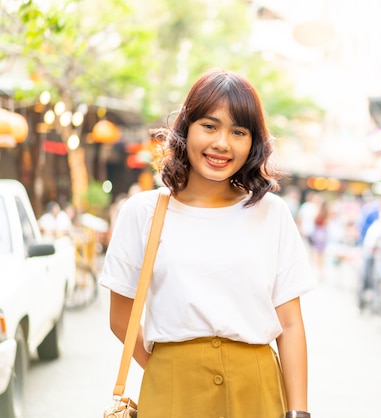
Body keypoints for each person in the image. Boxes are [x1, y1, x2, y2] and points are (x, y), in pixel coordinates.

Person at [99, 68, 317, 418]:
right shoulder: (143, 212)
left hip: (257, 392)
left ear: (253, 143)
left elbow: (290, 324)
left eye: (238, 132)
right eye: (209, 126)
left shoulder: (271, 213)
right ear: (186, 129)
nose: (222, 143)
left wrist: (299, 412)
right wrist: (167, 369)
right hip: (171, 391)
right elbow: (120, 318)